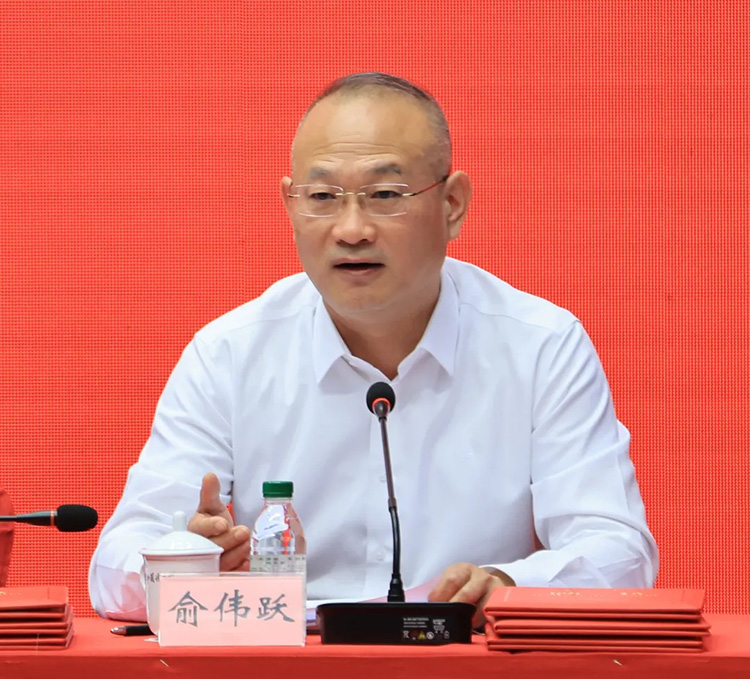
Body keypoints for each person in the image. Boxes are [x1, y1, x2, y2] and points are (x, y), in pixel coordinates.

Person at [89, 73, 658, 623]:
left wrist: (509, 587)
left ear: (453, 204)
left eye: (385, 194)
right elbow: (113, 567)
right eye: (323, 196)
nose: (351, 229)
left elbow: (620, 554)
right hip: (285, 670)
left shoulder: (540, 346)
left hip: (460, 671)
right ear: (290, 205)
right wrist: (185, 562)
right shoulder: (229, 355)